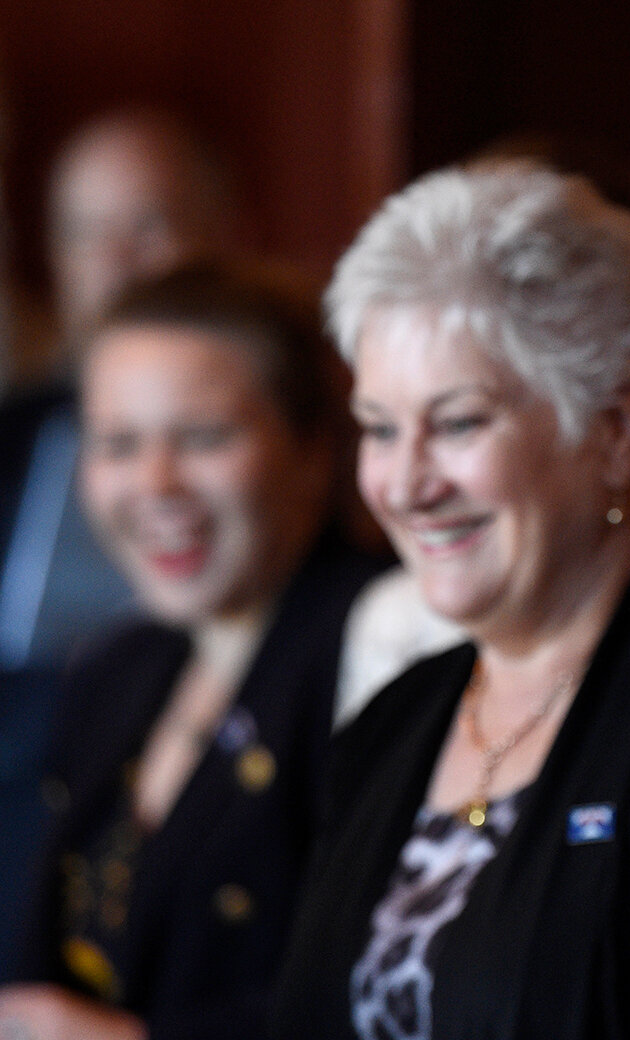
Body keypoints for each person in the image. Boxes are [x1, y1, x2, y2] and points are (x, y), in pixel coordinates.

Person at [270, 163, 630, 1040]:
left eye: (459, 423)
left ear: (614, 431)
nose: (407, 483)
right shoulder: (390, 725)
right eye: (381, 429)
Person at [0, 261, 383, 1040]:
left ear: (313, 451)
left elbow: (384, 992)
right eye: (117, 443)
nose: (155, 483)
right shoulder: (118, 667)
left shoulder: (383, 649)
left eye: (203, 437)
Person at [0, 109, 236, 975]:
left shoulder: (300, 455)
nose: (115, 259)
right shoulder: (16, 434)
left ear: (223, 233)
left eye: (147, 223)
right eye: (83, 233)